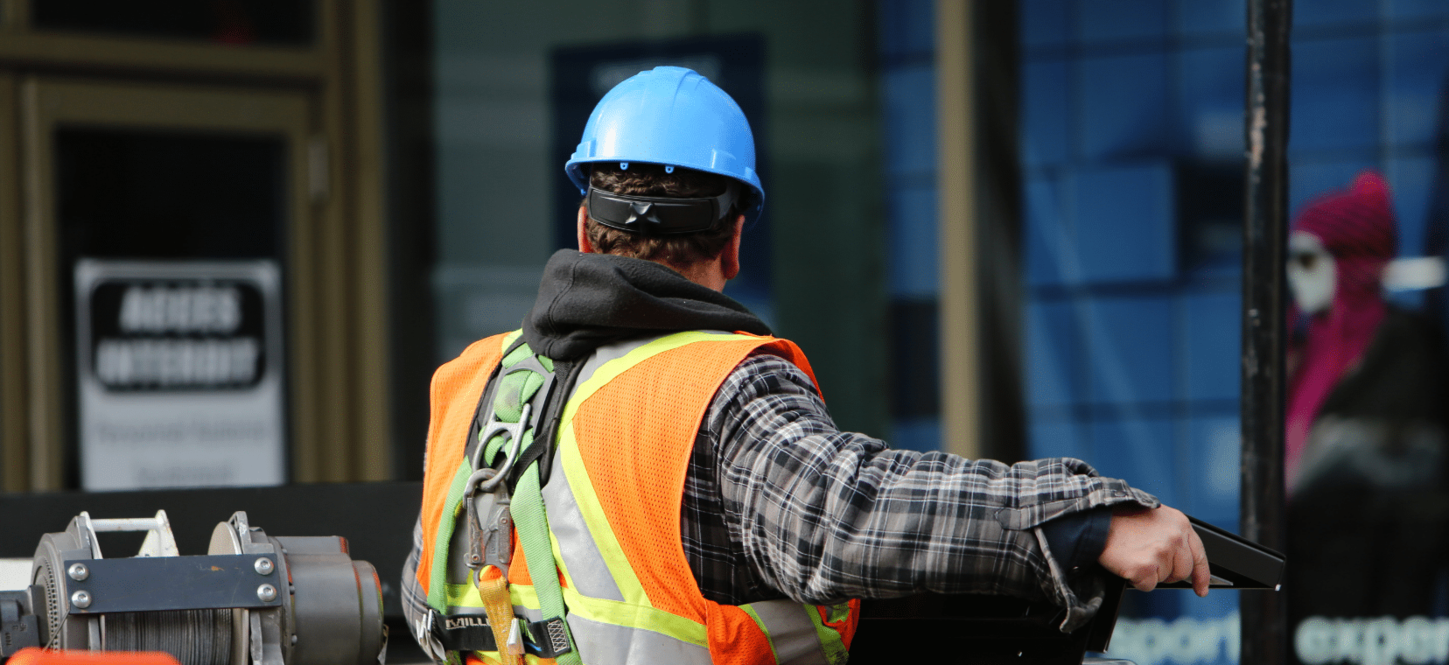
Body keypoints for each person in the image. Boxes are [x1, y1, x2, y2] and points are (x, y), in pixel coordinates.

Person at [401, 66, 1208, 665]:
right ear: (737, 241)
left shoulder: (473, 381)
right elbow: (844, 518)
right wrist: (1083, 516)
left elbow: (424, 594)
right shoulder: (716, 388)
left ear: (584, 226)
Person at [1284, 172, 1449, 655]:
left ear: (1350, 258)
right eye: (1291, 258)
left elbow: (1410, 469)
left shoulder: (1405, 349)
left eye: (1308, 257)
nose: (1295, 273)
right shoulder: (1301, 351)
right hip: (1303, 596)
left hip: (1376, 609)